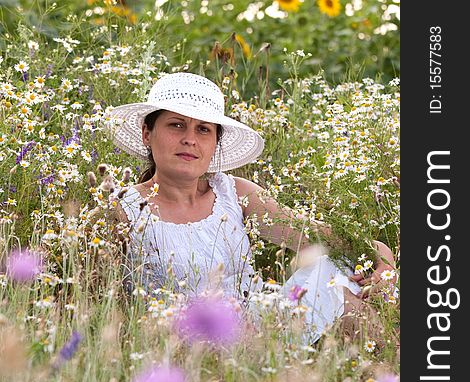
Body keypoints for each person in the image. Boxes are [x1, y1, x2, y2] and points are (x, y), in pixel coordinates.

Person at [105, 72, 395, 343]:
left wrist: (384, 263)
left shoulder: (233, 194)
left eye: (203, 129)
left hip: (259, 328)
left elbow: (330, 241)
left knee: (337, 280)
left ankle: (388, 381)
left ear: (214, 143)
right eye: (176, 124)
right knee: (337, 302)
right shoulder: (124, 209)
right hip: (183, 344)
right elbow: (100, 307)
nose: (190, 139)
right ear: (147, 133)